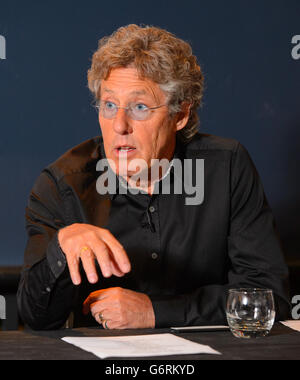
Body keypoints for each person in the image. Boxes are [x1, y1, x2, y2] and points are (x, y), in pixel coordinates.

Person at [17, 24, 290, 330]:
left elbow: (268, 299)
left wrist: (154, 312)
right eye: (109, 105)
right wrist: (61, 249)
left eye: (140, 107)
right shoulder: (62, 184)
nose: (119, 125)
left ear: (180, 115)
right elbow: (35, 317)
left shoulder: (226, 167)